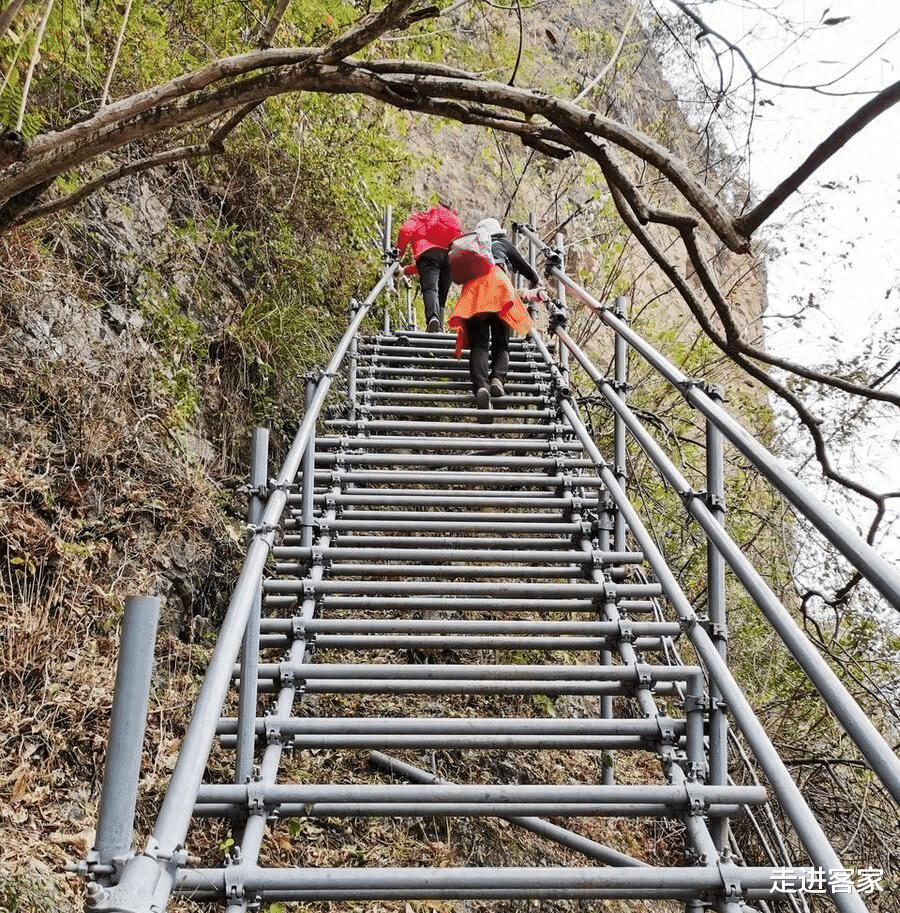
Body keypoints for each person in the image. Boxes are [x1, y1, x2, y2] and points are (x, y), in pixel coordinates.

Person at [448, 253, 538, 422]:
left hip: (474, 293)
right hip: (501, 290)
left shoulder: (473, 259)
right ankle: (497, 378)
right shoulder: (501, 250)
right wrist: (535, 281)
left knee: (479, 345)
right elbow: (524, 267)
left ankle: (481, 386)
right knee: (502, 344)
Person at [396, 201, 463, 332]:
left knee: (430, 289)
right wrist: (404, 271)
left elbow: (406, 230)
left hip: (428, 256)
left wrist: (398, 254)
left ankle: (433, 320)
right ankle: (440, 328)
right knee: (442, 295)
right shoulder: (454, 222)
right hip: (451, 257)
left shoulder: (424, 217)